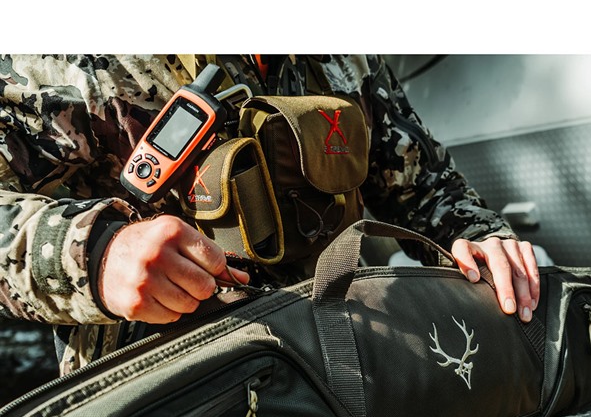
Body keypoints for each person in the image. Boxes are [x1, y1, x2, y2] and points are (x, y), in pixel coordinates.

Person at [0, 54, 539, 376]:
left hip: (349, 381)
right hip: (174, 410)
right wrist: (96, 253)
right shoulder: (63, 58)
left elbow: (421, 181)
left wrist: (477, 234)